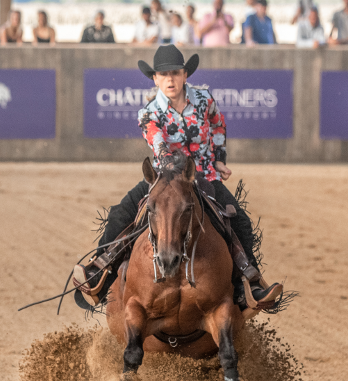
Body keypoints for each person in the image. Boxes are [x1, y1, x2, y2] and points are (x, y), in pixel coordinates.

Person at [72, 45, 282, 313]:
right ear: (155, 79)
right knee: (120, 215)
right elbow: (158, 142)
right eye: (163, 75)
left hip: (203, 177)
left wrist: (219, 158)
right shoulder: (149, 112)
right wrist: (167, 159)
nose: (170, 79)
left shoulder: (205, 100)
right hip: (163, 180)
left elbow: (218, 124)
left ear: (185, 75)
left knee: (239, 221)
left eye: (175, 73)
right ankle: (99, 275)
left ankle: (248, 285)